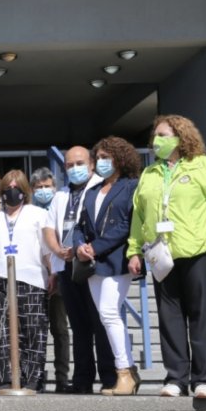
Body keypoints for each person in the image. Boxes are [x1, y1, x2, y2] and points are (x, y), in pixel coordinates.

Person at [127, 115, 206, 399]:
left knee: (199, 315)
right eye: (155, 136)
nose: (157, 141)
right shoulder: (150, 174)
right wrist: (134, 249)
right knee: (169, 317)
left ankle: (205, 379)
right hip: (161, 254)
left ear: (181, 136)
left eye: (164, 135)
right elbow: (139, 215)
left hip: (197, 250)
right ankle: (176, 378)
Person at [43, 146, 115, 394]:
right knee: (79, 325)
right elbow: (49, 229)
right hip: (66, 267)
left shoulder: (102, 188)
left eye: (79, 163)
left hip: (93, 265)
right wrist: (58, 251)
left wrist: (80, 249)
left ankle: (110, 377)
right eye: (70, 165)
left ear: (92, 164)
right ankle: (83, 378)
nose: (75, 168)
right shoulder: (61, 194)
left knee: (101, 322)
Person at [0, 169, 50, 391]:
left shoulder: (38, 214)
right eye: (7, 189)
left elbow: (46, 249)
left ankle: (33, 378)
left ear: (24, 191)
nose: (12, 193)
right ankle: (6, 377)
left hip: (31, 278)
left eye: (16, 188)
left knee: (33, 328)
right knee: (2, 330)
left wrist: (53, 274)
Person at [73, 136, 141, 396]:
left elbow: (127, 224)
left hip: (116, 260)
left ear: (120, 159)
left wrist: (97, 246)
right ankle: (129, 373)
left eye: (106, 158)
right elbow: (80, 225)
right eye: (98, 158)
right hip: (92, 264)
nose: (101, 162)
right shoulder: (92, 191)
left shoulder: (131, 186)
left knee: (110, 313)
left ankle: (123, 371)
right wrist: (80, 246)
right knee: (105, 315)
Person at [30, 166, 69, 393]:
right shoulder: (29, 211)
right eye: (39, 187)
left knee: (60, 330)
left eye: (47, 186)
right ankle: (37, 376)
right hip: (35, 278)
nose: (43, 191)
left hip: (59, 277)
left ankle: (62, 378)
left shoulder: (61, 208)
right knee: (36, 330)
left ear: (54, 187)